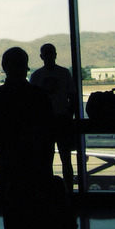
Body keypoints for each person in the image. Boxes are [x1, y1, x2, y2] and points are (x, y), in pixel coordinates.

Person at [0, 47, 74, 229]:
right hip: (38, 175)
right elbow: (49, 133)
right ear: (26, 67)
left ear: (4, 68)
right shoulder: (39, 97)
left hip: (9, 175)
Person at [30, 43, 79, 192]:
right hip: (53, 122)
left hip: (54, 122)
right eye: (48, 53)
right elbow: (73, 97)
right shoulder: (63, 73)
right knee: (60, 160)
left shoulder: (37, 76)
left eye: (50, 53)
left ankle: (53, 193)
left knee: (51, 161)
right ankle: (67, 193)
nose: (49, 56)